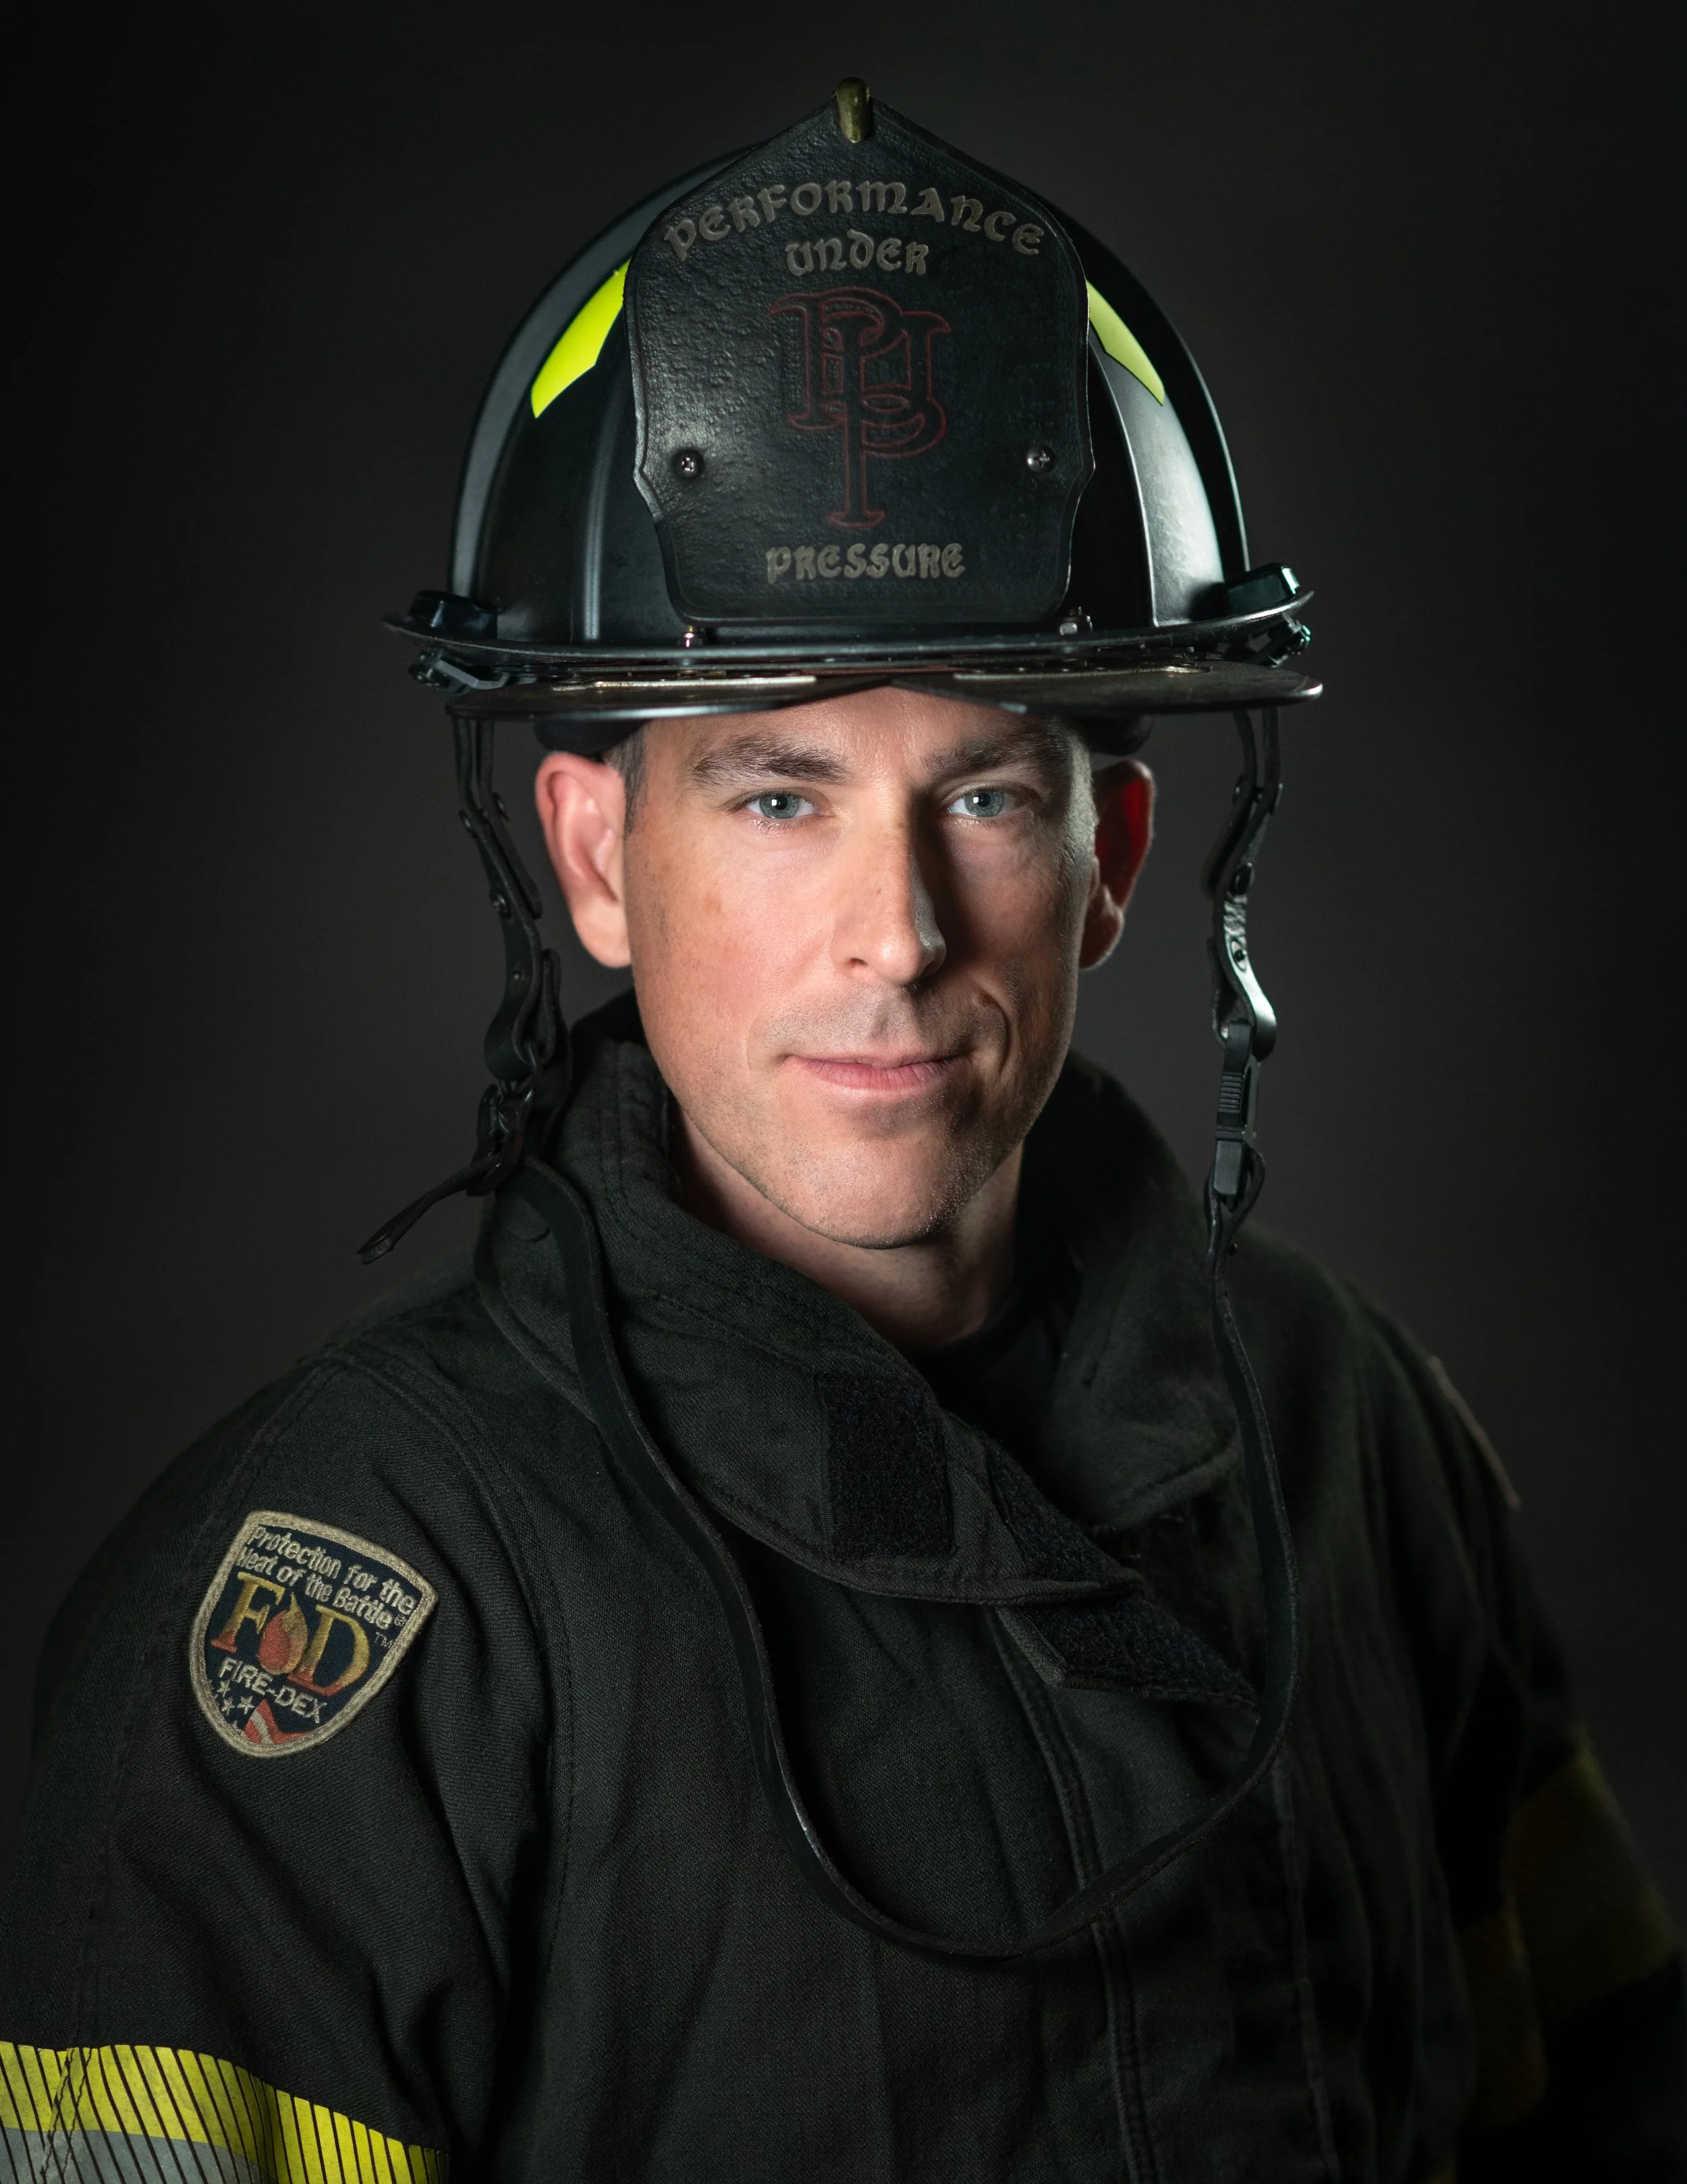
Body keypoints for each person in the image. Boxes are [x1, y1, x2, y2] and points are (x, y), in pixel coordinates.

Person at [2, 80, 1680, 2184]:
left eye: (982, 793)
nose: (894, 934)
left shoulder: (1345, 1426)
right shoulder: (362, 1590)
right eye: (778, 794)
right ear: (597, 860)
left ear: (1109, 858)